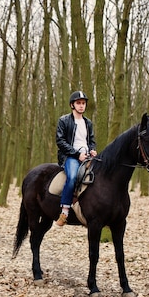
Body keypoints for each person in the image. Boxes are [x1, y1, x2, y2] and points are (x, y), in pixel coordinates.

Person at [55, 90, 97, 226]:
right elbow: (60, 141)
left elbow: (91, 140)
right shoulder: (64, 120)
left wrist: (92, 150)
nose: (81, 106)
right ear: (72, 105)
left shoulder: (88, 123)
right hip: (70, 156)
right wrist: (76, 154)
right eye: (78, 103)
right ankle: (65, 211)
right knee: (72, 177)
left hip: (87, 156)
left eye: (83, 103)